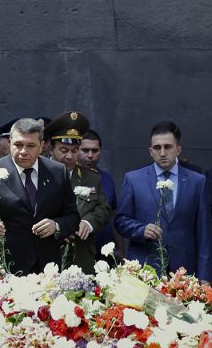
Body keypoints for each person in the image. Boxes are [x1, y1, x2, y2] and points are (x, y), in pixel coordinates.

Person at [0, 118, 80, 275]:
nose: (23, 151)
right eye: (18, 145)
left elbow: (73, 217)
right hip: (4, 267)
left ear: (42, 146)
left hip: (47, 268)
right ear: (10, 143)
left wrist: (56, 226)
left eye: (31, 146)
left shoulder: (57, 171)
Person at [115, 121, 212, 283]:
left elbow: (204, 234)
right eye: (157, 148)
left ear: (178, 150)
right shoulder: (133, 179)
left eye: (168, 147)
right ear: (150, 151)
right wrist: (141, 230)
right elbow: (120, 221)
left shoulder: (197, 181)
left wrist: (205, 277)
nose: (162, 153)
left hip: (184, 271)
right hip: (145, 268)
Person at [46, 112, 112, 274]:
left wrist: (89, 223)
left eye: (75, 150)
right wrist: (59, 227)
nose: (69, 156)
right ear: (51, 148)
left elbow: (104, 209)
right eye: (63, 150)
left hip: (81, 258)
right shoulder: (37, 175)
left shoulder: (91, 177)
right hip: (47, 257)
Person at [77, 129, 125, 263]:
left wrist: (121, 250)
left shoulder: (107, 179)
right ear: (76, 150)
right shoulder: (67, 176)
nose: (90, 155)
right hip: (78, 253)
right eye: (85, 150)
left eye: (95, 150)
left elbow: (113, 215)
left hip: (106, 254)